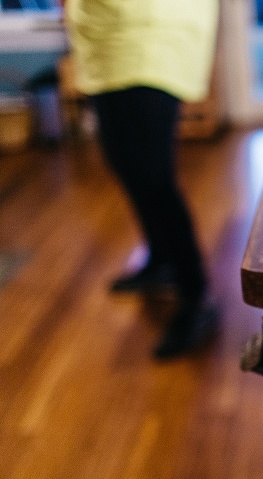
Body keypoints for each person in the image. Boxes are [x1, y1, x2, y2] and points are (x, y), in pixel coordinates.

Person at [63, 0, 220, 359]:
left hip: (149, 31)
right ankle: (161, 259)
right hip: (107, 38)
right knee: (125, 162)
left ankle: (196, 295)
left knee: (152, 175)